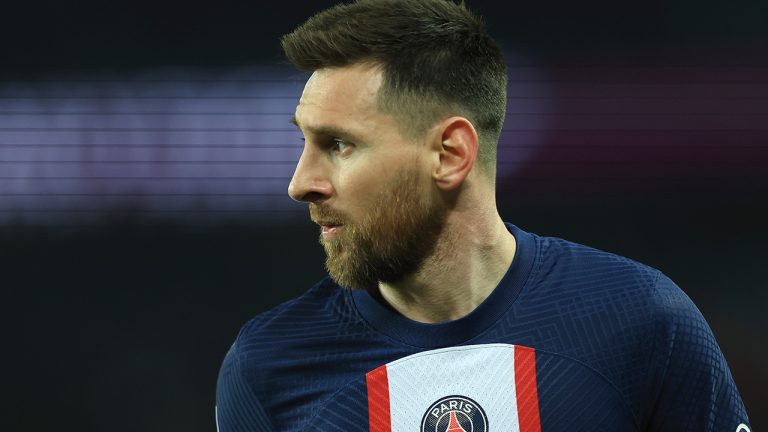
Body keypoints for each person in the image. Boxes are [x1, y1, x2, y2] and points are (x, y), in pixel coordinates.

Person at [216, 1, 751, 431]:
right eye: (304, 142)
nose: (299, 183)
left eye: (338, 144)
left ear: (450, 154)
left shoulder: (641, 322)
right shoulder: (268, 366)